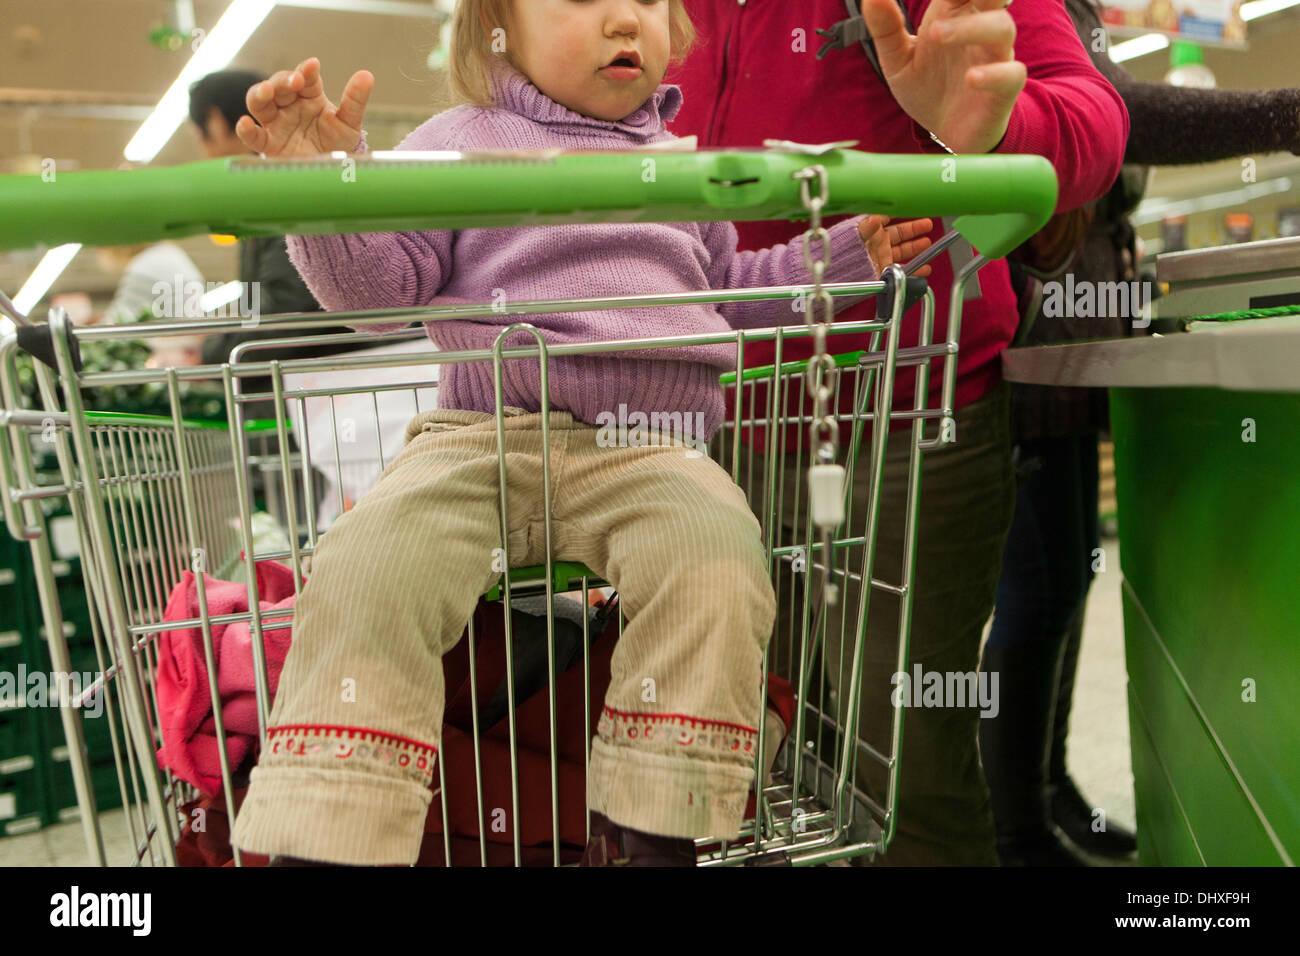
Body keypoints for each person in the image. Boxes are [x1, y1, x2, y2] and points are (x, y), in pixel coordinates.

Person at [227, 0, 931, 867]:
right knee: (365, 565)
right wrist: (320, 189)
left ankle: (655, 828)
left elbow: (725, 288)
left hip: (652, 449)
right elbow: (372, 295)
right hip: (479, 434)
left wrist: (836, 261)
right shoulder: (458, 141)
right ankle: (332, 833)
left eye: (645, 2)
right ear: (497, 30)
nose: (620, 20)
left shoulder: (684, 169)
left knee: (718, 559)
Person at [666, 0, 1129, 865]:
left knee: (907, 780)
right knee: (754, 776)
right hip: (721, 429)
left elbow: (1093, 118)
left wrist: (988, 131)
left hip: (908, 414)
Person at [983, 0, 1300, 866]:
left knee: (1071, 566)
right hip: (1032, 329)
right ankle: (1014, 833)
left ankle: (1048, 793)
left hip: (1080, 325)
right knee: (1040, 581)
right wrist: (1281, 114)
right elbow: (1122, 114)